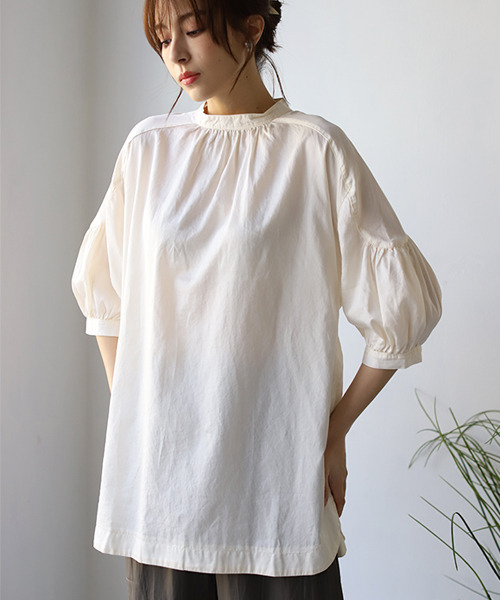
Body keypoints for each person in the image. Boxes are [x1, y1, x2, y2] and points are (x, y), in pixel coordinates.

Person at [71, 0, 442, 598]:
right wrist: (140, 418)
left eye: (192, 30)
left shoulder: (315, 150)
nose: (175, 54)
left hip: (275, 488)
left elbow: (401, 310)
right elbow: (104, 299)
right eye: (162, 37)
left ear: (252, 26)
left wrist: (334, 431)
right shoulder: (148, 150)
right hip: (162, 496)